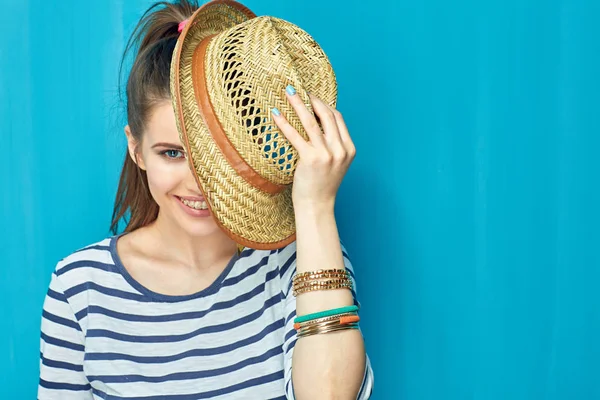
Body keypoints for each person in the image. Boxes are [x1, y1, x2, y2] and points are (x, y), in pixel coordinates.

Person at [38, 0, 374, 398]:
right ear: (136, 149)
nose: (199, 183)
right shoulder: (80, 288)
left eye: (216, 152)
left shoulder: (301, 263)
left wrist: (316, 207)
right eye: (173, 153)